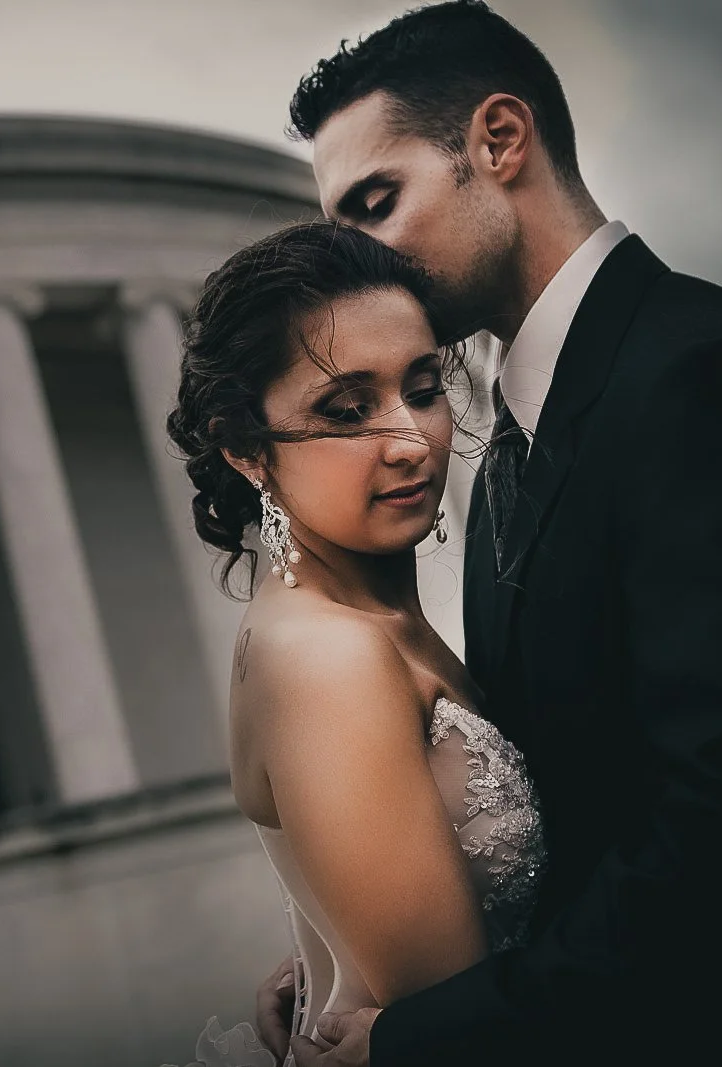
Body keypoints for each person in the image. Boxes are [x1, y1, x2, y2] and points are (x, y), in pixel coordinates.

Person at [191, 2, 722, 1063]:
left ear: (498, 141)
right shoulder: (506, 444)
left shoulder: (699, 378)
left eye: (374, 201)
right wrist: (347, 942)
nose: (355, 258)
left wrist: (421, 1035)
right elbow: (581, 786)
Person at [162, 219, 544, 1067]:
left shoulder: (373, 620)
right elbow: (459, 1029)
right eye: (346, 409)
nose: (410, 440)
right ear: (247, 449)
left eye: (421, 386)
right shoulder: (325, 658)